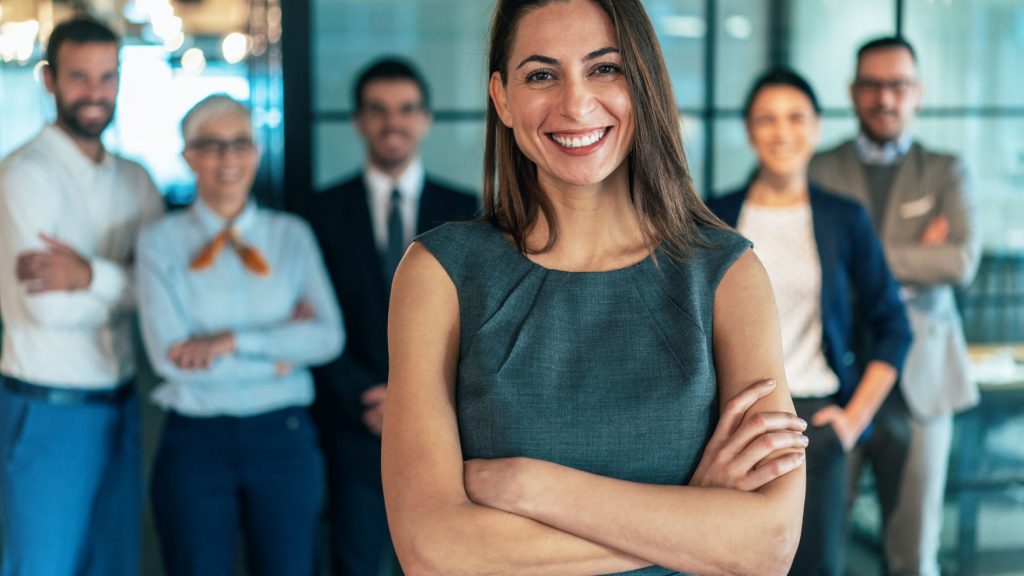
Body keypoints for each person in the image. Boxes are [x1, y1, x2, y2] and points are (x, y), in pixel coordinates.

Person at [382, 1, 809, 574]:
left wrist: (527, 485)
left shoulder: (726, 274)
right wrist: (692, 517)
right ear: (502, 98)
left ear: (645, 84)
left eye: (605, 68)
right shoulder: (439, 273)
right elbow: (432, 550)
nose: (576, 104)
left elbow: (769, 546)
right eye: (540, 75)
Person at [708, 69, 912, 575]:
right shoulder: (713, 216)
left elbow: (893, 326)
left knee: (815, 564)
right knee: (731, 563)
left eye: (796, 117)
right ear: (750, 131)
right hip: (730, 423)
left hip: (813, 425)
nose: (782, 131)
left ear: (817, 128)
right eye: (766, 119)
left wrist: (852, 422)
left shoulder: (844, 218)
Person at [136, 95, 343, 576]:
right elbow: (170, 359)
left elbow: (327, 338)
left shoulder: (292, 235)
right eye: (211, 145)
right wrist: (280, 348)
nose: (228, 159)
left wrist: (228, 343)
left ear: (256, 151)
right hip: (195, 440)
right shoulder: (159, 241)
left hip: (283, 436)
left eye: (240, 144)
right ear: (188, 156)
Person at [809, 37, 980, 576]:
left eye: (898, 86)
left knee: (913, 554)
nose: (886, 99)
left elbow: (959, 261)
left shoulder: (946, 171)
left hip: (922, 382)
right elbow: (804, 260)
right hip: (835, 374)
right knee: (819, 546)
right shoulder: (818, 168)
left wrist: (857, 255)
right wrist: (915, 255)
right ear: (854, 93)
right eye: (874, 86)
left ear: (918, 94)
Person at [0, 16, 164, 576]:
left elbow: (165, 295)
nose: (95, 92)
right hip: (48, 411)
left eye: (107, 76)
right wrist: (123, 278)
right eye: (79, 77)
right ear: (49, 80)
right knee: (42, 567)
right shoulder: (23, 174)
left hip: (122, 406)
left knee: (115, 564)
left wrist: (88, 276)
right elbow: (49, 308)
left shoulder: (137, 179)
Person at [308, 57, 478, 575]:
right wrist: (366, 396)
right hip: (355, 418)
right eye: (378, 111)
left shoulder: (465, 209)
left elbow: (473, 319)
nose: (392, 123)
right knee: (354, 560)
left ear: (425, 119)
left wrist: (419, 399)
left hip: (444, 427)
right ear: (358, 121)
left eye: (406, 110)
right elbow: (311, 318)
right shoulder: (319, 211)